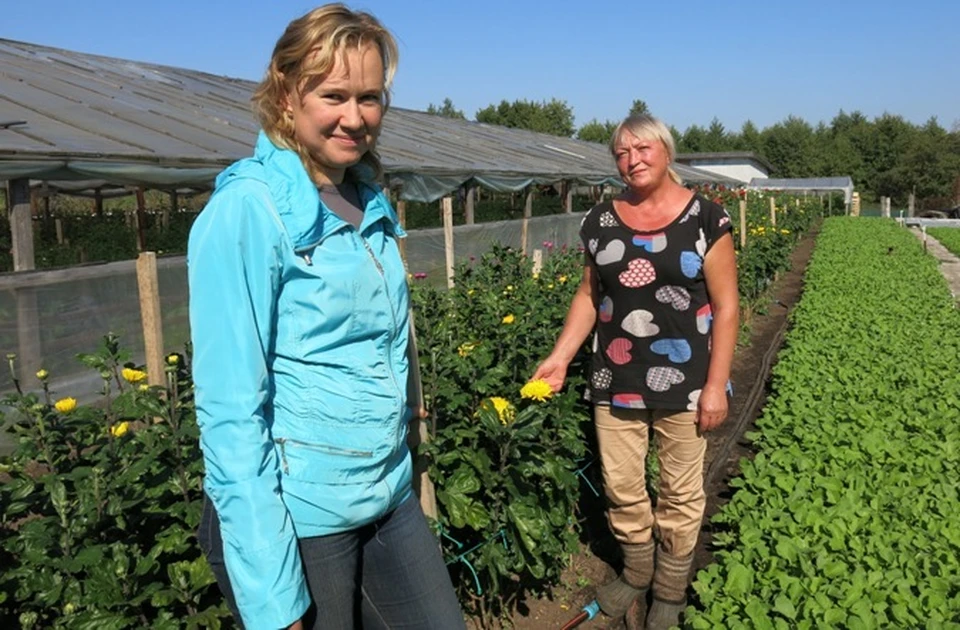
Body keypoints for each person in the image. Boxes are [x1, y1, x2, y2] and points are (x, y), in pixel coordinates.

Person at [187, 5, 465, 629]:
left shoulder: (364, 198)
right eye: (333, 94)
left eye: (370, 97)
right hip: (302, 510)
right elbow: (231, 410)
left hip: (385, 489)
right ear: (287, 93)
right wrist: (271, 594)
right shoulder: (249, 212)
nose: (354, 116)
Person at [532, 114, 738, 629]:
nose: (633, 160)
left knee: (680, 492)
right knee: (623, 487)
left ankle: (668, 591)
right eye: (622, 153)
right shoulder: (600, 220)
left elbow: (728, 307)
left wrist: (715, 385)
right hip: (616, 377)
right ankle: (637, 572)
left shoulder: (706, 218)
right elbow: (588, 294)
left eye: (643, 149)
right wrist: (560, 357)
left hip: (689, 378)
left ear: (667, 152)